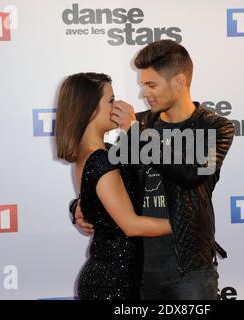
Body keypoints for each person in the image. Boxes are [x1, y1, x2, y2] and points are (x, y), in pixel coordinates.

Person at [72, 40, 235, 300]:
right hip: (138, 269)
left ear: (179, 81)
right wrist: (81, 205)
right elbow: (113, 179)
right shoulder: (140, 124)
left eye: (151, 85)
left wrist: (136, 133)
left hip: (190, 272)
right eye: (141, 84)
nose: (143, 93)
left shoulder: (215, 128)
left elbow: (191, 173)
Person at [55, 72, 172, 300]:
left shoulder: (104, 152)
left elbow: (154, 174)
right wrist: (187, 226)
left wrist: (78, 207)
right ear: (89, 109)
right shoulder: (100, 159)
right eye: (111, 100)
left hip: (119, 278)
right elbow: (131, 225)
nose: (117, 106)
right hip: (112, 284)